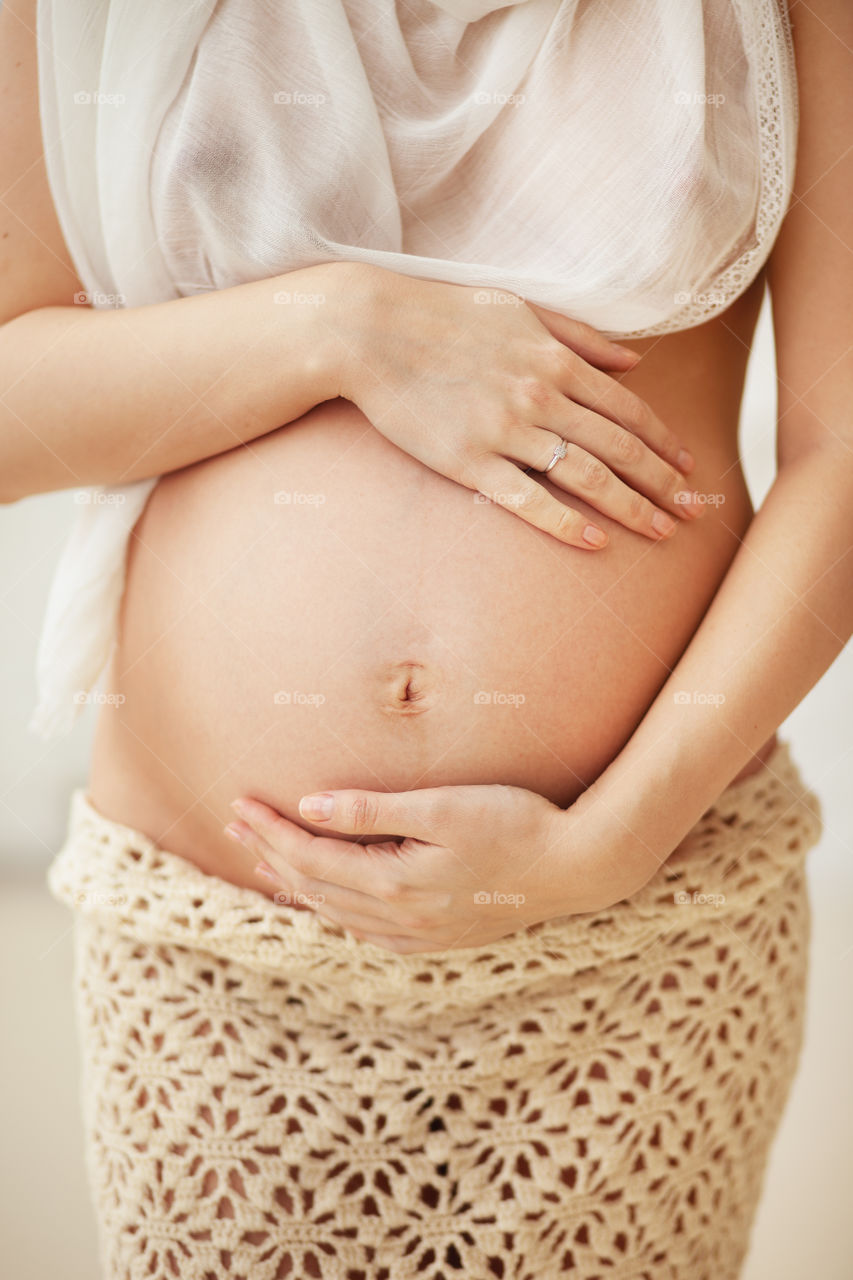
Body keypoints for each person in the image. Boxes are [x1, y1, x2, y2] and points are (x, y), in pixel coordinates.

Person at [1, 0, 849, 1276]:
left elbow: (845, 451)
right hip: (231, 954)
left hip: (638, 930)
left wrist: (606, 845)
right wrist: (342, 328)